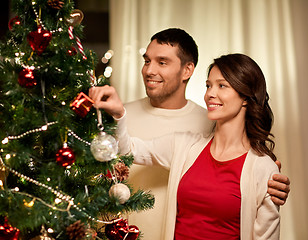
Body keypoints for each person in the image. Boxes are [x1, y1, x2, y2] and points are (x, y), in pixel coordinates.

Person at [89, 28, 289, 239]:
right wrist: (120, 114)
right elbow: (127, 149)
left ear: (246, 97)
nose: (210, 94)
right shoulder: (184, 145)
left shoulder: (261, 167)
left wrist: (270, 179)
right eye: (208, 85)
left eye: (222, 86)